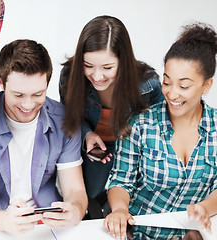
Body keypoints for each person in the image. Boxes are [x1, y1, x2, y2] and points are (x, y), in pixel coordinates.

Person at [0, 39, 88, 233]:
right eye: (18, 95)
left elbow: (75, 191)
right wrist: (4, 221)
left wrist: (75, 211)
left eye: (37, 94)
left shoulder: (65, 121)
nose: (28, 105)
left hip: (47, 227)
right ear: (0, 82)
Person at [104, 23, 217, 239]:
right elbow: (121, 180)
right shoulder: (140, 124)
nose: (172, 93)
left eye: (183, 86)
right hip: (137, 233)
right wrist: (119, 210)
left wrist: (206, 207)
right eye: (167, 82)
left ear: (206, 85)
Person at [59, 15, 164, 214]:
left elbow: (159, 129)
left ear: (123, 61)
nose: (97, 76)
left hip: (132, 153)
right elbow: (68, 115)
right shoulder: (69, 76)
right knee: (90, 205)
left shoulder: (148, 85)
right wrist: (87, 134)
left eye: (107, 68)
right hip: (92, 152)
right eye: (88, 66)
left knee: (126, 208)